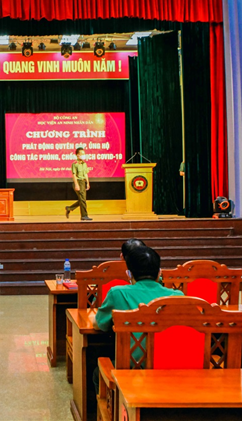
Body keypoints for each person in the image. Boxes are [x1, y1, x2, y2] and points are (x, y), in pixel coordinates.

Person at [92, 245, 183, 390]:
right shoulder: (177, 296)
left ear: (129, 274)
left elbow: (99, 325)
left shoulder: (117, 293)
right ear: (159, 273)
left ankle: (109, 404)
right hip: (170, 368)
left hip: (131, 369)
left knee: (97, 372)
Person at [66, 147, 92, 221]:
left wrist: (88, 183)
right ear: (78, 155)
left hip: (83, 182)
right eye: (82, 154)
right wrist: (76, 184)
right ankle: (84, 215)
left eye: (84, 154)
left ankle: (69, 208)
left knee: (82, 199)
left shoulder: (84, 164)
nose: (84, 155)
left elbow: (86, 174)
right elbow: (74, 175)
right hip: (78, 182)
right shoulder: (75, 164)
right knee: (82, 200)